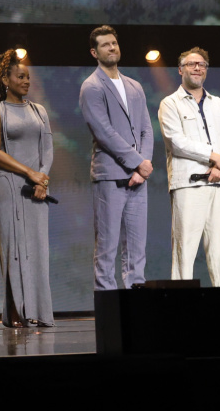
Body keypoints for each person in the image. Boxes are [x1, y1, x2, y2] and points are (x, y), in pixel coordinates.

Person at [157, 47, 220, 322]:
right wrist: (214, 157)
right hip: (188, 185)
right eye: (191, 64)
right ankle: (181, 306)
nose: (197, 68)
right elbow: (177, 142)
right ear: (180, 69)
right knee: (185, 248)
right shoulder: (170, 103)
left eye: (202, 64)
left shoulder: (219, 104)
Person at [0, 49, 54, 328]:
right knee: (12, 247)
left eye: (28, 77)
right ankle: (14, 309)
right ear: (5, 80)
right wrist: (29, 173)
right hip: (5, 184)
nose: (26, 81)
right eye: (20, 76)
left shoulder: (39, 111)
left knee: (36, 246)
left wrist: (42, 179)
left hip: (36, 186)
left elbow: (47, 149)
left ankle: (36, 310)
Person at [79, 25, 154, 290]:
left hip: (138, 177)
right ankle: (109, 311)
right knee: (107, 247)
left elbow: (146, 129)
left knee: (137, 249)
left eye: (114, 43)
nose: (112, 47)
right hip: (110, 176)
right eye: (105, 45)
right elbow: (104, 132)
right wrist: (137, 162)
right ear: (94, 52)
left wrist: (142, 167)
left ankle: (137, 305)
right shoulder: (91, 86)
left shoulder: (134, 85)